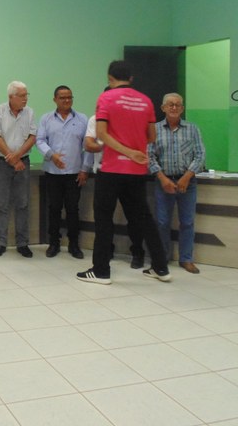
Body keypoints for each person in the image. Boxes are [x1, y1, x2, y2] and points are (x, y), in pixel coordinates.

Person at [78, 60, 170, 285]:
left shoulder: (106, 98)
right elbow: (152, 136)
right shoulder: (146, 101)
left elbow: (102, 134)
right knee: (145, 219)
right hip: (136, 170)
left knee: (103, 219)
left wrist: (126, 151)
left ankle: (101, 271)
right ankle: (161, 267)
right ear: (131, 78)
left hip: (111, 170)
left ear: (110, 78)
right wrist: (134, 148)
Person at [85, 92, 146, 269]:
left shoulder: (131, 117)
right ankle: (106, 252)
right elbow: (88, 144)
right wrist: (107, 147)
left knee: (134, 216)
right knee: (103, 219)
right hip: (104, 172)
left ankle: (137, 253)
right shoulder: (95, 119)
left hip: (129, 173)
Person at [148, 92, 206, 273]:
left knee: (187, 222)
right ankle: (162, 258)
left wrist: (187, 177)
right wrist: (163, 178)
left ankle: (186, 259)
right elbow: (149, 156)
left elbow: (200, 155)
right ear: (163, 108)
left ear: (182, 108)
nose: (174, 107)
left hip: (187, 183)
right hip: (163, 182)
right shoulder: (154, 129)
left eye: (178, 105)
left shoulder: (192, 129)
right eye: (170, 104)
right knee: (162, 222)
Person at [35, 85, 92, 259]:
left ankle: (74, 244)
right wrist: (51, 155)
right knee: (54, 208)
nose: (66, 100)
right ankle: (54, 243)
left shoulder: (82, 119)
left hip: (75, 173)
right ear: (55, 99)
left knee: (73, 209)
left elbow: (88, 146)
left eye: (69, 97)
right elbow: (39, 140)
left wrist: (85, 169)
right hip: (53, 172)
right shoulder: (46, 118)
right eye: (62, 97)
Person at [0, 81, 37, 258]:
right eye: (22, 95)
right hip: (2, 163)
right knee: (1, 204)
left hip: (23, 162)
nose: (25, 99)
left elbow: (32, 137)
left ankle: (22, 243)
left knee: (22, 204)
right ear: (11, 97)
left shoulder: (29, 112)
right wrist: (12, 157)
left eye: (26, 95)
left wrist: (17, 156)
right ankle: (0, 243)